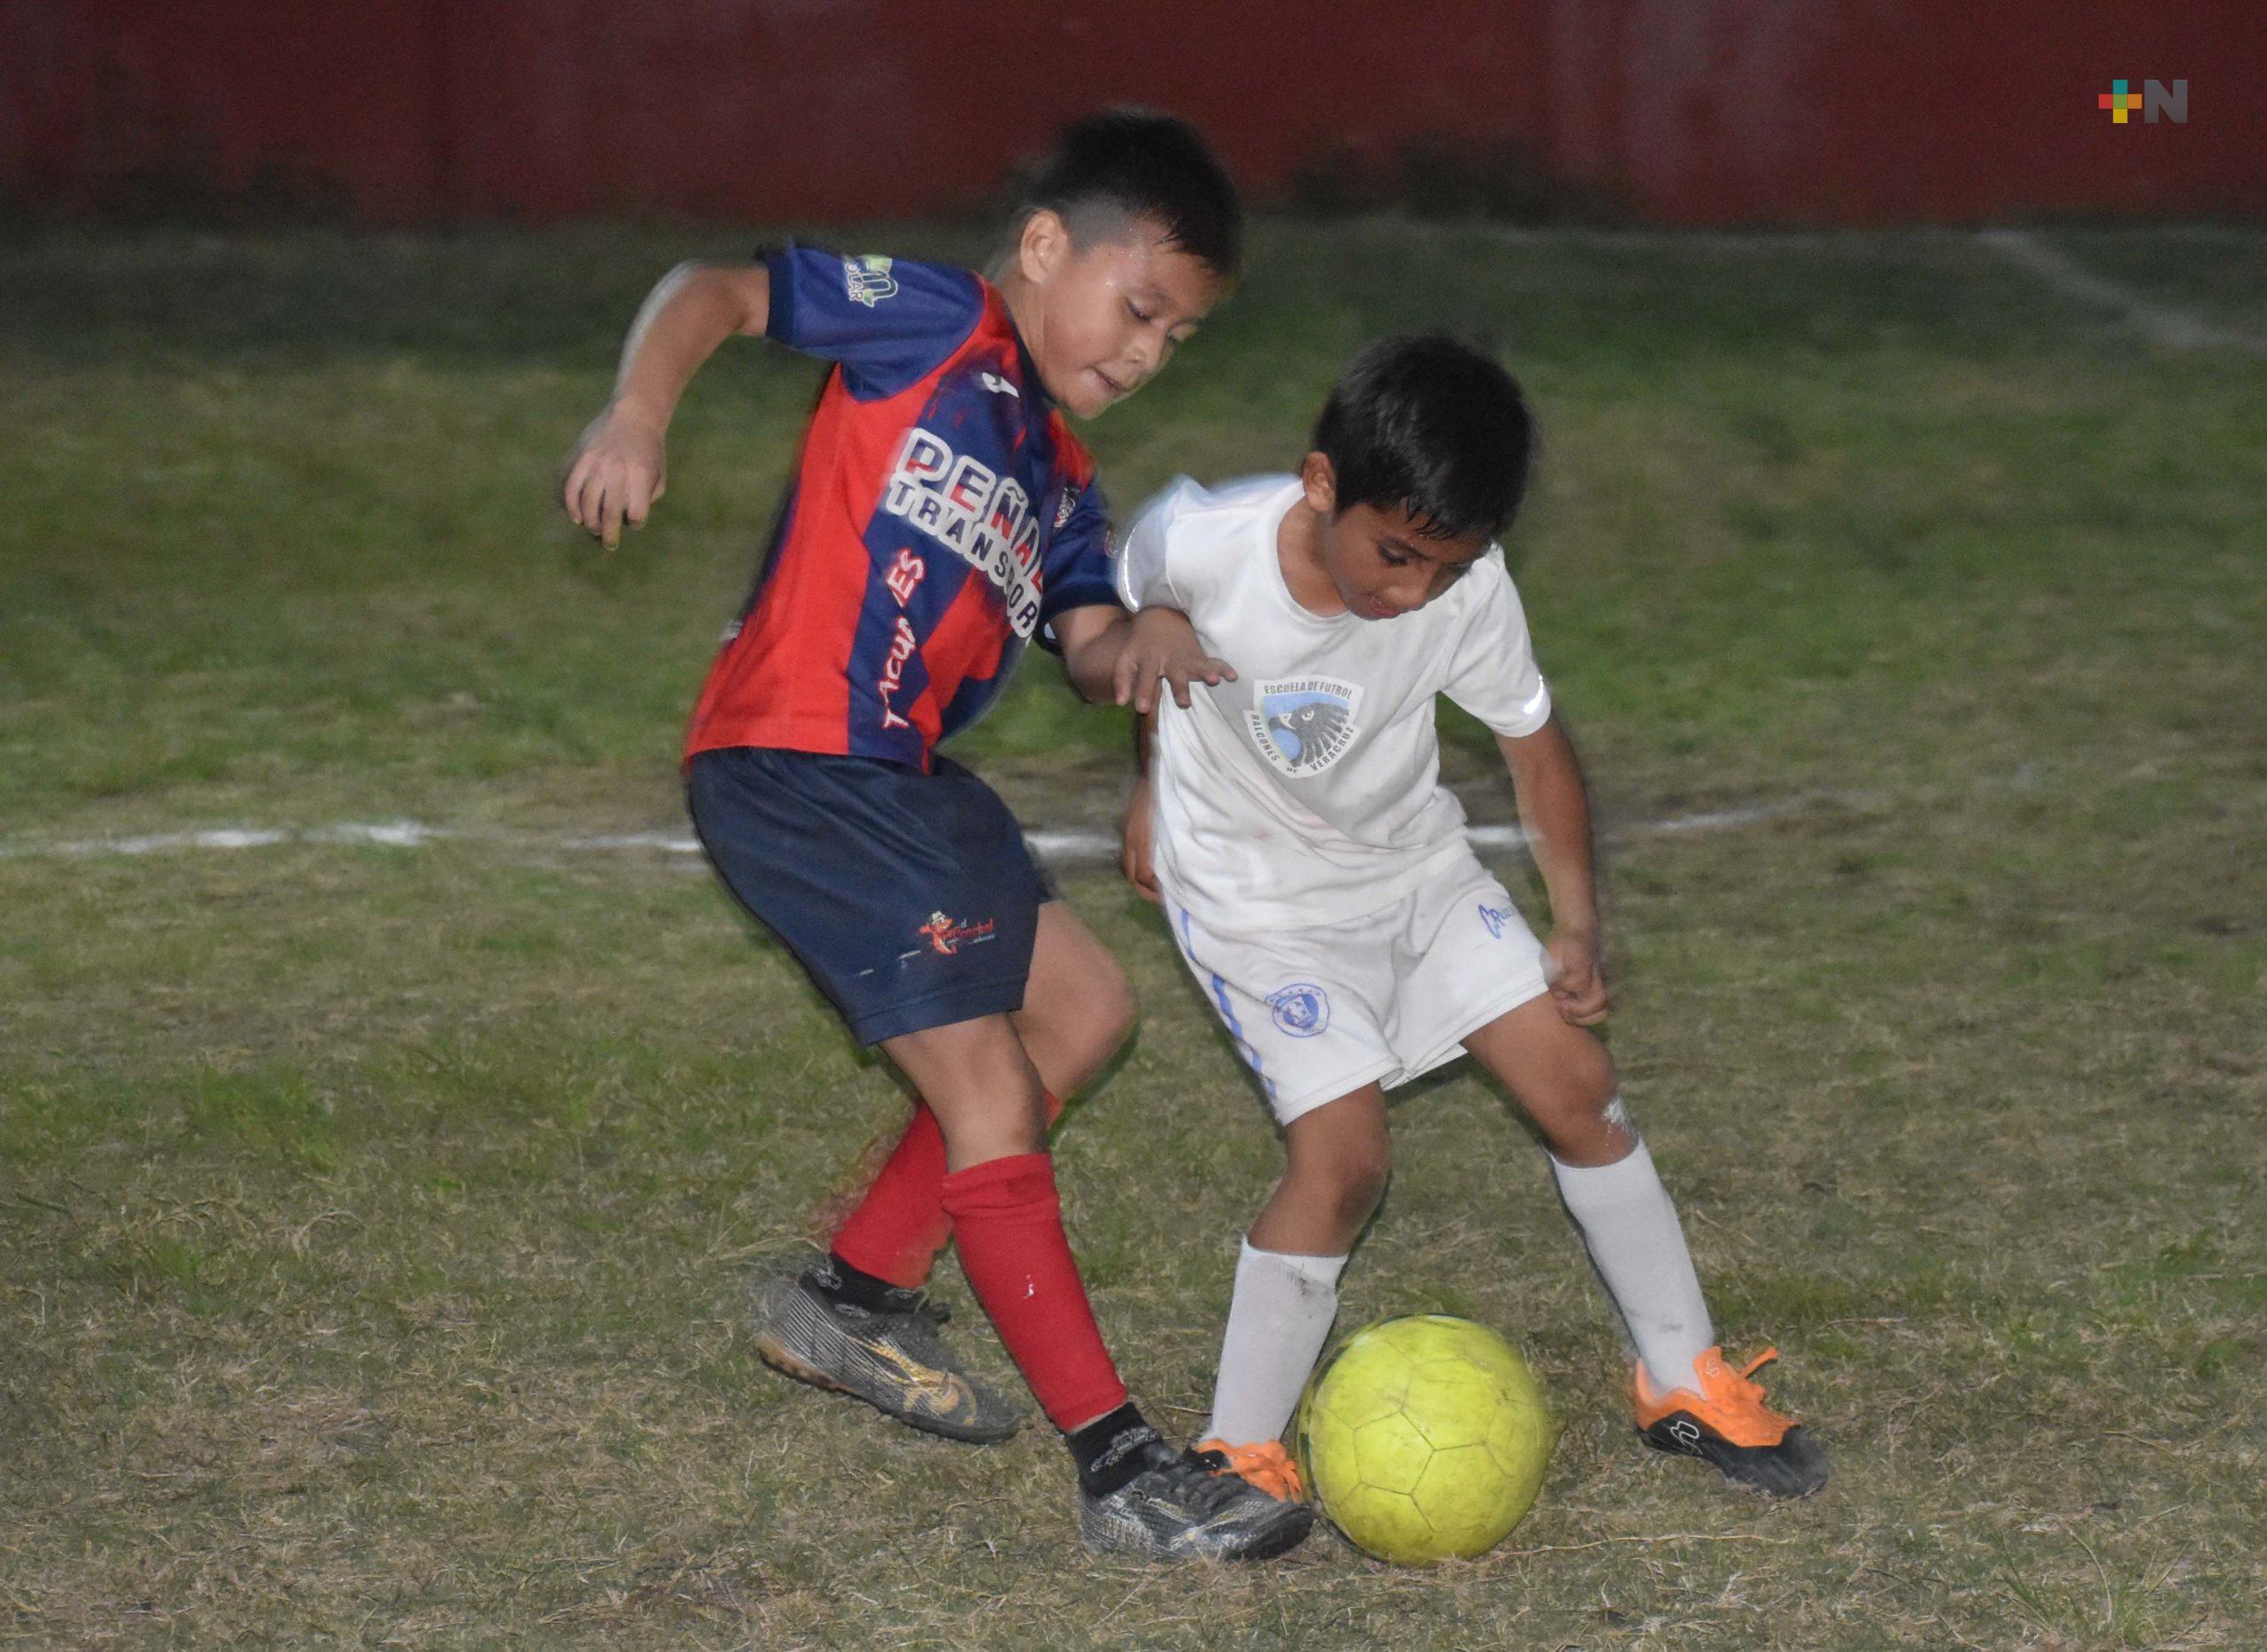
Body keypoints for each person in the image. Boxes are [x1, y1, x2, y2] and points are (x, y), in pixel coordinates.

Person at [560, 112, 1311, 1560]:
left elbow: (1091, 645)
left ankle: (847, 1301)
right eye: (1139, 307)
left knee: (1083, 1010)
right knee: (990, 1093)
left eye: (1180, 338)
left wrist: (1147, 639)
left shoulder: (1063, 476)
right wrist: (638, 413)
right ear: (1045, 249)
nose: (1151, 349)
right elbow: (711, 290)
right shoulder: (939, 323)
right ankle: (1122, 1470)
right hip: (795, 764)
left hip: (897, 781)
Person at [1115, 333, 1830, 1502]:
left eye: (1444, 570)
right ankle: (1236, 1449)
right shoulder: (1204, 540)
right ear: (1318, 483)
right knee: (1343, 1164)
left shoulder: (1465, 588)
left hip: (1416, 874)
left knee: (1578, 1085)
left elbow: (1533, 747)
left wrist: (1578, 921)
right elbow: (1134, 605)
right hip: (1255, 904)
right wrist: (1150, 776)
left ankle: (1681, 1377)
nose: (1412, 594)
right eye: (1395, 556)